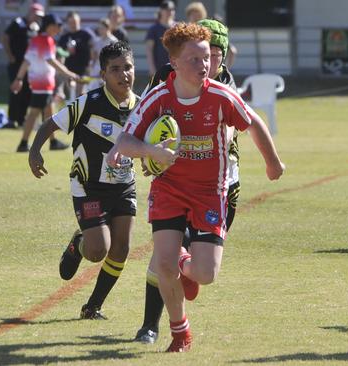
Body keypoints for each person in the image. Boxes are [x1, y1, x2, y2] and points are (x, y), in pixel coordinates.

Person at [107, 23, 285, 352]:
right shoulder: (158, 98)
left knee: (205, 275)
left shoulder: (221, 95)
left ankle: (183, 262)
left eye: (206, 58)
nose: (203, 65)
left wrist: (272, 163)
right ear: (173, 63)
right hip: (169, 189)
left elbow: (254, 122)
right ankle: (179, 331)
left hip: (209, 192)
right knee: (161, 264)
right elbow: (125, 138)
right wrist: (148, 151)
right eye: (194, 59)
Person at [134, 18, 241, 345]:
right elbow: (147, 122)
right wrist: (148, 156)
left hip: (220, 183)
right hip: (174, 180)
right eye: (204, 53)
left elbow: (235, 126)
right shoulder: (165, 78)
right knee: (164, 258)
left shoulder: (224, 83)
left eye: (216, 53)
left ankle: (187, 268)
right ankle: (151, 325)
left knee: (200, 263)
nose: (210, 60)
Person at [28, 41, 139, 320]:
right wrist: (35, 150)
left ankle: (93, 307)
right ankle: (79, 244)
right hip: (88, 187)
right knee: (97, 250)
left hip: (124, 185)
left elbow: (150, 141)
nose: (123, 74)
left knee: (122, 248)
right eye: (115, 69)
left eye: (127, 68)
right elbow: (50, 123)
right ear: (103, 74)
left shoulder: (142, 106)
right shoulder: (89, 103)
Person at [11, 14, 78, 153]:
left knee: (48, 111)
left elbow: (26, 61)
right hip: (43, 83)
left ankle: (53, 142)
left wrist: (18, 79)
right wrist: (70, 74)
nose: (59, 28)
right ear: (50, 26)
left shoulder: (35, 40)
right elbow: (51, 61)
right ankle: (23, 143)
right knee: (34, 113)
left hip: (38, 83)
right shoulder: (47, 40)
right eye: (57, 25)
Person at [1, 3, 43, 128]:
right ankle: (11, 119)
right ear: (31, 12)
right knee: (16, 90)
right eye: (36, 15)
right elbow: (4, 37)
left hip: (31, 65)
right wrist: (10, 55)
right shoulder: (18, 23)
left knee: (27, 91)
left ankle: (21, 119)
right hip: (17, 63)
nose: (37, 18)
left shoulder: (36, 27)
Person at [58, 11, 93, 98]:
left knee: (80, 95)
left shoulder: (86, 35)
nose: (73, 24)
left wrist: (91, 66)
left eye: (75, 21)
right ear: (67, 23)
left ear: (79, 21)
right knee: (69, 96)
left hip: (83, 69)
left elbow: (93, 50)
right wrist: (67, 51)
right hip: (68, 70)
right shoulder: (64, 37)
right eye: (71, 22)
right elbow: (60, 53)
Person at [145, 0, 175, 76]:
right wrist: (151, 68)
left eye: (172, 9)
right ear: (161, 11)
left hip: (176, 68)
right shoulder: (153, 29)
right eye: (167, 9)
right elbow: (149, 49)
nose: (169, 12)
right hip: (159, 69)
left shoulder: (177, 28)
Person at [87, 18, 118, 91]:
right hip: (97, 68)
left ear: (107, 28)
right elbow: (94, 55)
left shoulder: (113, 41)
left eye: (102, 28)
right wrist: (92, 65)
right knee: (93, 89)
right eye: (99, 28)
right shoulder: (97, 40)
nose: (100, 30)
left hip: (108, 68)